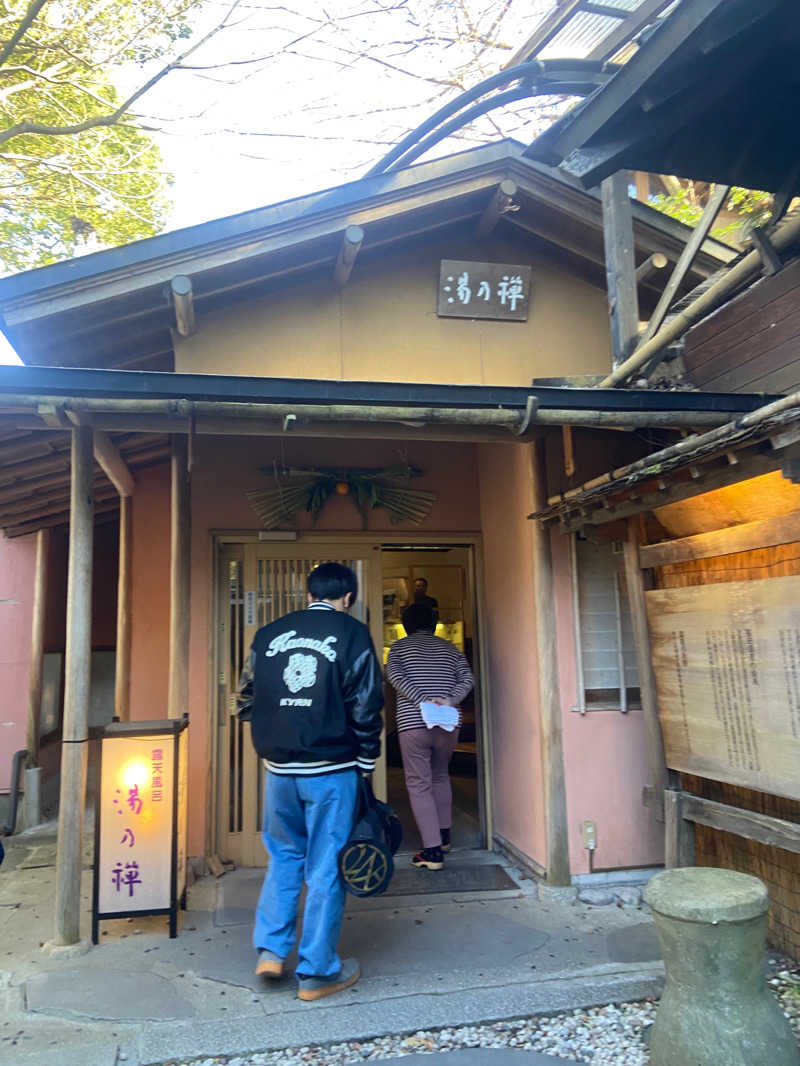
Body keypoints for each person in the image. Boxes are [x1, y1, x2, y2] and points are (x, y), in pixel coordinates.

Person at [237, 562, 383, 1001]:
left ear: (307, 595)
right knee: (326, 865)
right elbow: (366, 705)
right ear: (349, 598)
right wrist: (367, 762)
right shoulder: (353, 634)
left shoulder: (268, 635)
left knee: (283, 856)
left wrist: (277, 725)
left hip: (279, 771)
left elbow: (246, 696)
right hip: (331, 770)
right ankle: (318, 971)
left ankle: (271, 951)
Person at [386, 603, 474, 870]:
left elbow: (394, 676)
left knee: (418, 783)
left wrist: (423, 700)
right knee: (440, 776)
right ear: (434, 624)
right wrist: (448, 700)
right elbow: (468, 678)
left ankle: (432, 852)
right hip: (448, 722)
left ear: (406, 624)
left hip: (414, 723)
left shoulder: (399, 648)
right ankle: (445, 836)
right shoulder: (451, 649)